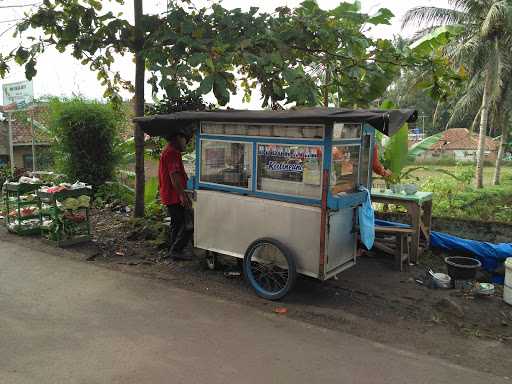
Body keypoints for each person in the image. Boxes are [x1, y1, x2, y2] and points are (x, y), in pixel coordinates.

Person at [159, 132, 193, 260]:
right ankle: (176, 250)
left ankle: (174, 251)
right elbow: (174, 176)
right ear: (178, 138)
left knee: (176, 224)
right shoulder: (172, 153)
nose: (186, 143)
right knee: (188, 225)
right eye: (186, 139)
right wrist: (183, 196)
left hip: (171, 194)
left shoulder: (169, 151)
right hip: (174, 196)